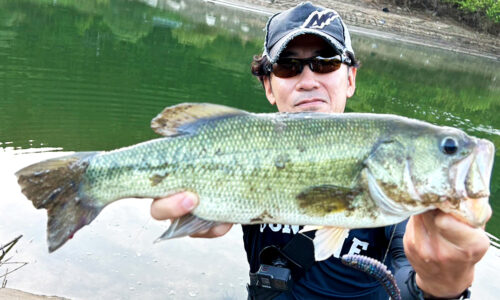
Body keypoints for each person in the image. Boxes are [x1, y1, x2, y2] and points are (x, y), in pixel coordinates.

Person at [150, 2, 491, 299]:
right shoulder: (244, 149)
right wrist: (200, 211)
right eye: (288, 66)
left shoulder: (402, 200)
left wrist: (441, 287)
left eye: (325, 62)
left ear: (351, 79)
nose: (308, 79)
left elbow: (406, 280)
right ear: (269, 86)